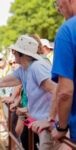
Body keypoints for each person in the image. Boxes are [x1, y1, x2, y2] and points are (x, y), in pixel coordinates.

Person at [0, 35, 58, 149]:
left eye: (15, 51)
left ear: (22, 54)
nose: (12, 53)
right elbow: (1, 81)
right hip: (37, 121)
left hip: (48, 125)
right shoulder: (23, 69)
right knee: (25, 141)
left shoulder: (36, 67)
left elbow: (57, 91)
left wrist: (50, 120)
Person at [50, 0, 76, 143]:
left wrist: (61, 128)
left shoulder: (67, 30)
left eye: (57, 2)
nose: (58, 9)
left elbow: (65, 92)